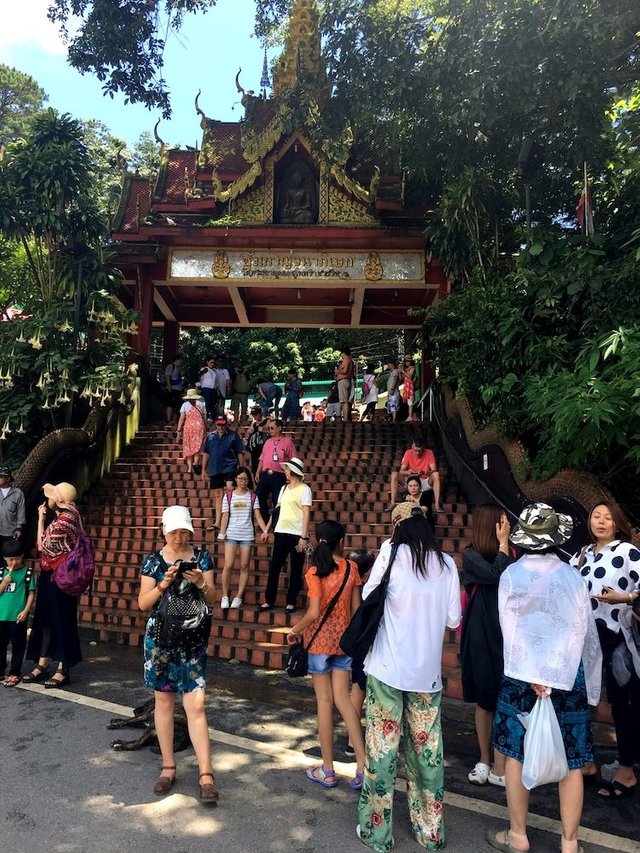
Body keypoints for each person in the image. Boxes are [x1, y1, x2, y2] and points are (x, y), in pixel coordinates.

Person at [488, 503, 602, 853]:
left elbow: (510, 630)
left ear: (523, 539)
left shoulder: (511, 576)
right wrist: (581, 684)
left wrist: (534, 674)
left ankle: (518, 835)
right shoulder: (572, 577)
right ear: (556, 539)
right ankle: (570, 843)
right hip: (568, 676)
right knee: (572, 761)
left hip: (522, 676)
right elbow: (582, 632)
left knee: (516, 753)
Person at [357, 504, 461, 852]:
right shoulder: (447, 564)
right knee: (427, 756)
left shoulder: (390, 552)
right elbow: (452, 619)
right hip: (426, 676)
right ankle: (431, 834)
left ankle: (377, 835)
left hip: (386, 668)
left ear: (398, 526)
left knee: (381, 754)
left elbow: (366, 596)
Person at [137, 505, 218, 804]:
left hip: (192, 640)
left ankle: (206, 774)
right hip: (160, 641)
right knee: (163, 700)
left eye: (185, 531)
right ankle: (168, 766)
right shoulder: (152, 561)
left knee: (196, 705)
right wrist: (164, 583)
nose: (180, 537)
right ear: (164, 531)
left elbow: (213, 599)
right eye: (174, 532)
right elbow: (143, 604)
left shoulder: (202, 557)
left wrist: (200, 582)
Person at [287, 519, 365, 789]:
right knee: (345, 701)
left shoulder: (315, 571)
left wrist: (294, 630)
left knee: (324, 703)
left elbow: (313, 612)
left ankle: (328, 770)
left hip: (318, 644)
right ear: (340, 540)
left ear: (318, 539)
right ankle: (363, 768)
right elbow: (356, 610)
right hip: (344, 643)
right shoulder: (351, 568)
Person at [569, 501, 640, 799]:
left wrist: (623, 597)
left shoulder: (627, 552)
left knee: (620, 705)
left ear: (617, 522)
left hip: (615, 638)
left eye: (608, 517)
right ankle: (587, 762)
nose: (601, 521)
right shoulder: (582, 553)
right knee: (583, 699)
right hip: (585, 640)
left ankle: (626, 771)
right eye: (596, 516)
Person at [461, 504, 512, 788]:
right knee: (485, 699)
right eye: (502, 522)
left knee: (505, 697)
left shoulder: (512, 554)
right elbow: (496, 574)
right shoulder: (470, 555)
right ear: (490, 525)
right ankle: (484, 758)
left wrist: (506, 547)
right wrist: (503, 545)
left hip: (506, 632)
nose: (507, 526)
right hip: (481, 632)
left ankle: (501, 762)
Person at [24, 482, 84, 688]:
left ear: (58, 501)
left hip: (60, 577)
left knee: (59, 619)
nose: (47, 498)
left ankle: (62, 667)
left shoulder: (65, 521)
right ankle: (44, 662)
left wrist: (40, 519)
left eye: (51, 495)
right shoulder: (69, 516)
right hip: (54, 576)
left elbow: (42, 545)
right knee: (47, 617)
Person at [257, 457, 312, 613]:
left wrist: (304, 536)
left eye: (287, 469)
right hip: (281, 531)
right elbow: (276, 510)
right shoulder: (283, 489)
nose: (285, 472)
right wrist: (267, 529)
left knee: (296, 567)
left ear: (294, 472)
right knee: (275, 566)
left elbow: (306, 513)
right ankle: (269, 600)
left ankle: (291, 601)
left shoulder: (305, 489)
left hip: (296, 534)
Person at [217, 467, 267, 609]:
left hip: (247, 534)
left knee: (244, 566)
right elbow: (225, 515)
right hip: (231, 533)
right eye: (240, 479)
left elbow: (257, 515)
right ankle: (225, 596)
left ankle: (238, 596)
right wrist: (222, 531)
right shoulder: (228, 496)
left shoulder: (252, 496)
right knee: (228, 564)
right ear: (236, 479)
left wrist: (264, 530)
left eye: (245, 479)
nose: (243, 481)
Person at [344, 548, 376, 758]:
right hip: (367, 648)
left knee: (356, 691)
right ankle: (355, 741)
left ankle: (351, 740)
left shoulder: (348, 585)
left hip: (354, 646)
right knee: (361, 692)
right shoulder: (368, 591)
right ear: (366, 573)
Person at [0, 539, 36, 686]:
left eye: (18, 558)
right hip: (1, 616)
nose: (14, 562)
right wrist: (4, 582)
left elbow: (31, 594)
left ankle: (15, 673)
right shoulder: (2, 572)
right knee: (0, 645)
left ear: (23, 557)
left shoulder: (27, 572)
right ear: (4, 559)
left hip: (18, 617)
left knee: (18, 646)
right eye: (10, 560)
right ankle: (0, 671)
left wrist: (25, 611)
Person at [202, 416, 245, 530]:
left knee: (230, 489)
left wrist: (241, 468)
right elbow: (206, 453)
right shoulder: (210, 436)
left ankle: (232, 518)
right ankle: (218, 522)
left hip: (229, 467)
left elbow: (239, 452)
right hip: (214, 468)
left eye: (222, 424)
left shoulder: (233, 435)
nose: (220, 427)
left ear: (227, 424)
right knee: (218, 495)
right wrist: (203, 469)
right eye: (218, 425)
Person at [254, 418, 297, 526]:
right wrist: (258, 472)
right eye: (269, 428)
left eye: (272, 428)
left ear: (280, 428)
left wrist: (291, 475)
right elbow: (262, 458)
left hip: (279, 475)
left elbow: (293, 459)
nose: (270, 430)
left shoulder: (287, 442)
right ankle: (266, 520)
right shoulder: (268, 442)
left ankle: (276, 523)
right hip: (265, 474)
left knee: (277, 500)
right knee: (258, 497)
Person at [388, 435, 442, 512]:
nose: (417, 453)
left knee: (436, 474)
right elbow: (401, 471)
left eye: (419, 451)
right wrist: (407, 472)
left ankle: (437, 504)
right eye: (415, 450)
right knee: (394, 474)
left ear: (423, 448)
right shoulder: (408, 453)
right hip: (410, 480)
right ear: (412, 447)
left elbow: (434, 470)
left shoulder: (429, 452)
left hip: (424, 481)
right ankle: (393, 502)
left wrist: (425, 472)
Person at [176, 388, 207, 475]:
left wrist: (179, 429)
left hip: (189, 427)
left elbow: (182, 418)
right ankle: (196, 463)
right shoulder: (201, 404)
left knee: (188, 446)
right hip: (199, 426)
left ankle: (189, 468)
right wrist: (206, 427)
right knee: (198, 445)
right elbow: (204, 418)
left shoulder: (185, 405)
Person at [0, 466, 26, 564]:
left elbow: (21, 511)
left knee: (9, 556)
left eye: (1, 477)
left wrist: (18, 528)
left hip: (11, 532)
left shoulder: (18, 493)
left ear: (7, 478)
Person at [243, 405, 269, 473]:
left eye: (256, 415)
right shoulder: (254, 423)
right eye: (253, 415)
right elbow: (249, 432)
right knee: (254, 468)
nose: (255, 417)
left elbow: (271, 431)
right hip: (254, 448)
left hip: (263, 447)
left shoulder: (267, 421)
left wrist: (261, 429)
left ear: (260, 413)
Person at [335, 346, 355, 422]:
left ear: (343, 353)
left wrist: (338, 371)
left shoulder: (347, 360)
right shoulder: (350, 361)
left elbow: (345, 371)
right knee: (343, 401)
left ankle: (346, 418)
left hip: (344, 380)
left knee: (344, 401)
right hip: (346, 380)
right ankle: (345, 417)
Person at [164, 354, 183, 424]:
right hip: (172, 388)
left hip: (178, 389)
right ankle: (168, 419)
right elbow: (167, 376)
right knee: (170, 404)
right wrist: (169, 386)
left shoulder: (179, 368)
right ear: (176, 360)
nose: (181, 361)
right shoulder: (170, 367)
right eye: (180, 359)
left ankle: (174, 420)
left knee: (177, 405)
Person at [385, 359, 400, 423]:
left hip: (394, 392)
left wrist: (392, 389)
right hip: (391, 392)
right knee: (390, 405)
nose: (388, 365)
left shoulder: (395, 371)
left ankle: (394, 419)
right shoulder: (392, 372)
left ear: (392, 364)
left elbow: (395, 380)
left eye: (388, 364)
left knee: (393, 405)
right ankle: (392, 419)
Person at [401, 357, 416, 421]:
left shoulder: (412, 368)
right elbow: (402, 377)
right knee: (407, 401)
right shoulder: (407, 369)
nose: (406, 363)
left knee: (410, 401)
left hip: (410, 386)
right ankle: (409, 415)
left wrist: (403, 371)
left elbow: (410, 376)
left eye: (407, 361)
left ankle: (410, 416)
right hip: (406, 386)